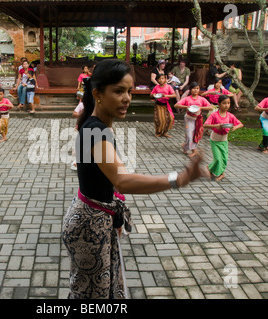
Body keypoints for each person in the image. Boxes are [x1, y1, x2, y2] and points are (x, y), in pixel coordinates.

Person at [61, 59, 204, 299]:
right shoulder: (96, 130)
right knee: (92, 297)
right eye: (118, 91)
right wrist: (179, 179)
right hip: (89, 227)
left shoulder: (98, 126)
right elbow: (122, 180)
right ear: (98, 94)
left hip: (96, 218)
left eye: (129, 90)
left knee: (102, 291)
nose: (127, 97)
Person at [203, 95, 243, 181]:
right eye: (224, 103)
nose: (226, 105)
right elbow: (205, 125)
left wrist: (235, 127)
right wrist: (216, 126)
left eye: (228, 103)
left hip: (224, 140)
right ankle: (219, 173)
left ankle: (213, 170)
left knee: (224, 158)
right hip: (215, 140)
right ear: (219, 104)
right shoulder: (214, 115)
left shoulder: (230, 116)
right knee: (218, 158)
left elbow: (240, 124)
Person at [175, 82, 213, 157]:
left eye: (197, 88)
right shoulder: (187, 99)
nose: (196, 90)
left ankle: (185, 146)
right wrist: (186, 107)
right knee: (189, 135)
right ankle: (194, 151)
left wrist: (201, 108)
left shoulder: (201, 99)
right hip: (189, 118)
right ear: (190, 90)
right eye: (194, 88)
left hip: (198, 119)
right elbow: (176, 105)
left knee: (195, 135)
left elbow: (211, 107)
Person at [150, 73, 176, 138]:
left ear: (165, 79)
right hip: (158, 104)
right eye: (159, 79)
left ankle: (164, 132)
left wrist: (166, 95)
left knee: (169, 119)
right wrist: (153, 95)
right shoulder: (156, 87)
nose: (161, 80)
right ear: (158, 80)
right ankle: (158, 132)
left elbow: (174, 95)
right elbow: (151, 94)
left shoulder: (168, 87)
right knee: (159, 119)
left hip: (166, 104)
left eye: (162, 78)